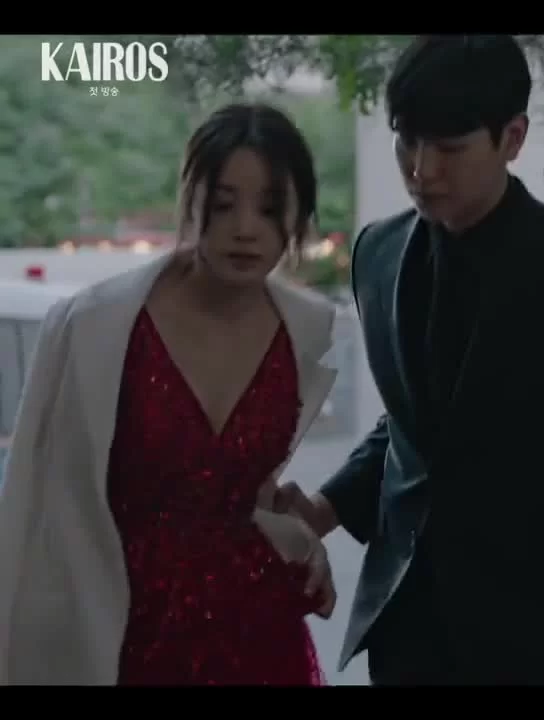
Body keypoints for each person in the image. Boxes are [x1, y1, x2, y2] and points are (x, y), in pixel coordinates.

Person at [273, 35, 544, 686]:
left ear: (512, 138)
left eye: (450, 149)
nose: (422, 170)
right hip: (405, 626)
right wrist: (325, 508)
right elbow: (415, 427)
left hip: (543, 636)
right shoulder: (377, 254)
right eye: (407, 142)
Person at [0, 103, 339, 685]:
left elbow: (250, 496)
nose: (245, 228)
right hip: (122, 629)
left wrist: (300, 542)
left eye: (268, 207)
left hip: (258, 633)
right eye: (224, 204)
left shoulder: (303, 331)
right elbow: (38, 502)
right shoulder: (97, 325)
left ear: (298, 214)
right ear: (190, 200)